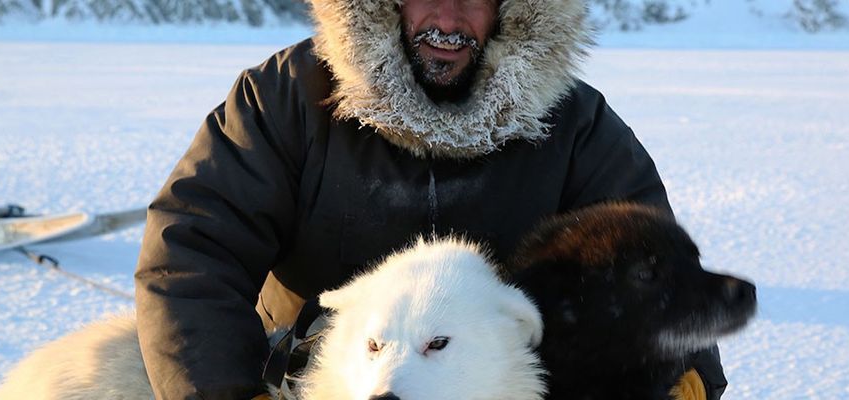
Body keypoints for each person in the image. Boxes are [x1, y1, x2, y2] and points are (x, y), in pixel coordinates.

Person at [134, 0, 728, 398]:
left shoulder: (575, 126)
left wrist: (682, 378)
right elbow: (190, 252)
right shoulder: (287, 98)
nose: (446, 19)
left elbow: (653, 272)